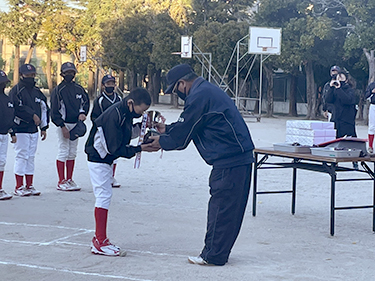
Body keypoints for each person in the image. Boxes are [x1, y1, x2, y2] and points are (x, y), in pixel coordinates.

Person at [149, 64, 255, 266]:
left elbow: (183, 136)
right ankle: (218, 253)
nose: (176, 94)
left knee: (221, 208)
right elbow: (192, 126)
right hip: (239, 158)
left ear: (182, 83)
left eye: (175, 89)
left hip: (229, 160)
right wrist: (167, 129)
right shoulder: (207, 90)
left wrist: (160, 142)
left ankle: (213, 256)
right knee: (230, 210)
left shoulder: (198, 96)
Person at [85, 87, 158, 256]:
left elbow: (125, 134)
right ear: (131, 103)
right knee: (103, 195)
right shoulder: (114, 115)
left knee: (105, 194)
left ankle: (99, 239)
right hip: (99, 158)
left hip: (105, 158)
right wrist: (140, 148)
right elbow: (114, 148)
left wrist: (143, 127)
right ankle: (100, 241)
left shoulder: (125, 113)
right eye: (142, 111)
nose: (142, 114)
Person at [9, 64, 49, 196]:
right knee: (22, 156)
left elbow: (44, 108)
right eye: (28, 75)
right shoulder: (16, 91)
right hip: (21, 128)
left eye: (32, 75)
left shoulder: (37, 91)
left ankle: (29, 185)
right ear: (21, 75)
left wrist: (44, 127)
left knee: (31, 157)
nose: (31, 77)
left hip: (34, 130)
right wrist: (32, 114)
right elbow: (16, 108)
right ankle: (18, 186)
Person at [50, 62, 90, 191]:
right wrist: (62, 126)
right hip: (64, 123)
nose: (69, 74)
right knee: (63, 150)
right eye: (67, 72)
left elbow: (86, 102)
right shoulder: (58, 90)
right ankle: (61, 181)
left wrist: (83, 113)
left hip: (76, 124)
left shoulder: (79, 89)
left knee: (72, 152)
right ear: (62, 74)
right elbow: (54, 111)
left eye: (71, 72)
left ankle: (69, 179)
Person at [90, 74, 122, 187]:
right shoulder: (100, 100)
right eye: (108, 83)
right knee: (105, 152)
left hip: (116, 130)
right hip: (104, 131)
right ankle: (105, 176)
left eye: (112, 83)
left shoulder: (119, 98)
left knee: (115, 155)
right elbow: (94, 117)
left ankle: (112, 177)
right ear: (103, 85)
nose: (111, 85)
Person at [0, 70, 16, 200]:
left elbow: (10, 117)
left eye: (4, 83)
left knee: (2, 162)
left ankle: (0, 188)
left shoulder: (7, 99)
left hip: (5, 134)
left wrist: (12, 132)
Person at [364, 81, 375, 153]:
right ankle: (370, 146)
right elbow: (366, 96)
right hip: (374, 106)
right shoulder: (372, 85)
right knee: (372, 126)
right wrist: (372, 92)